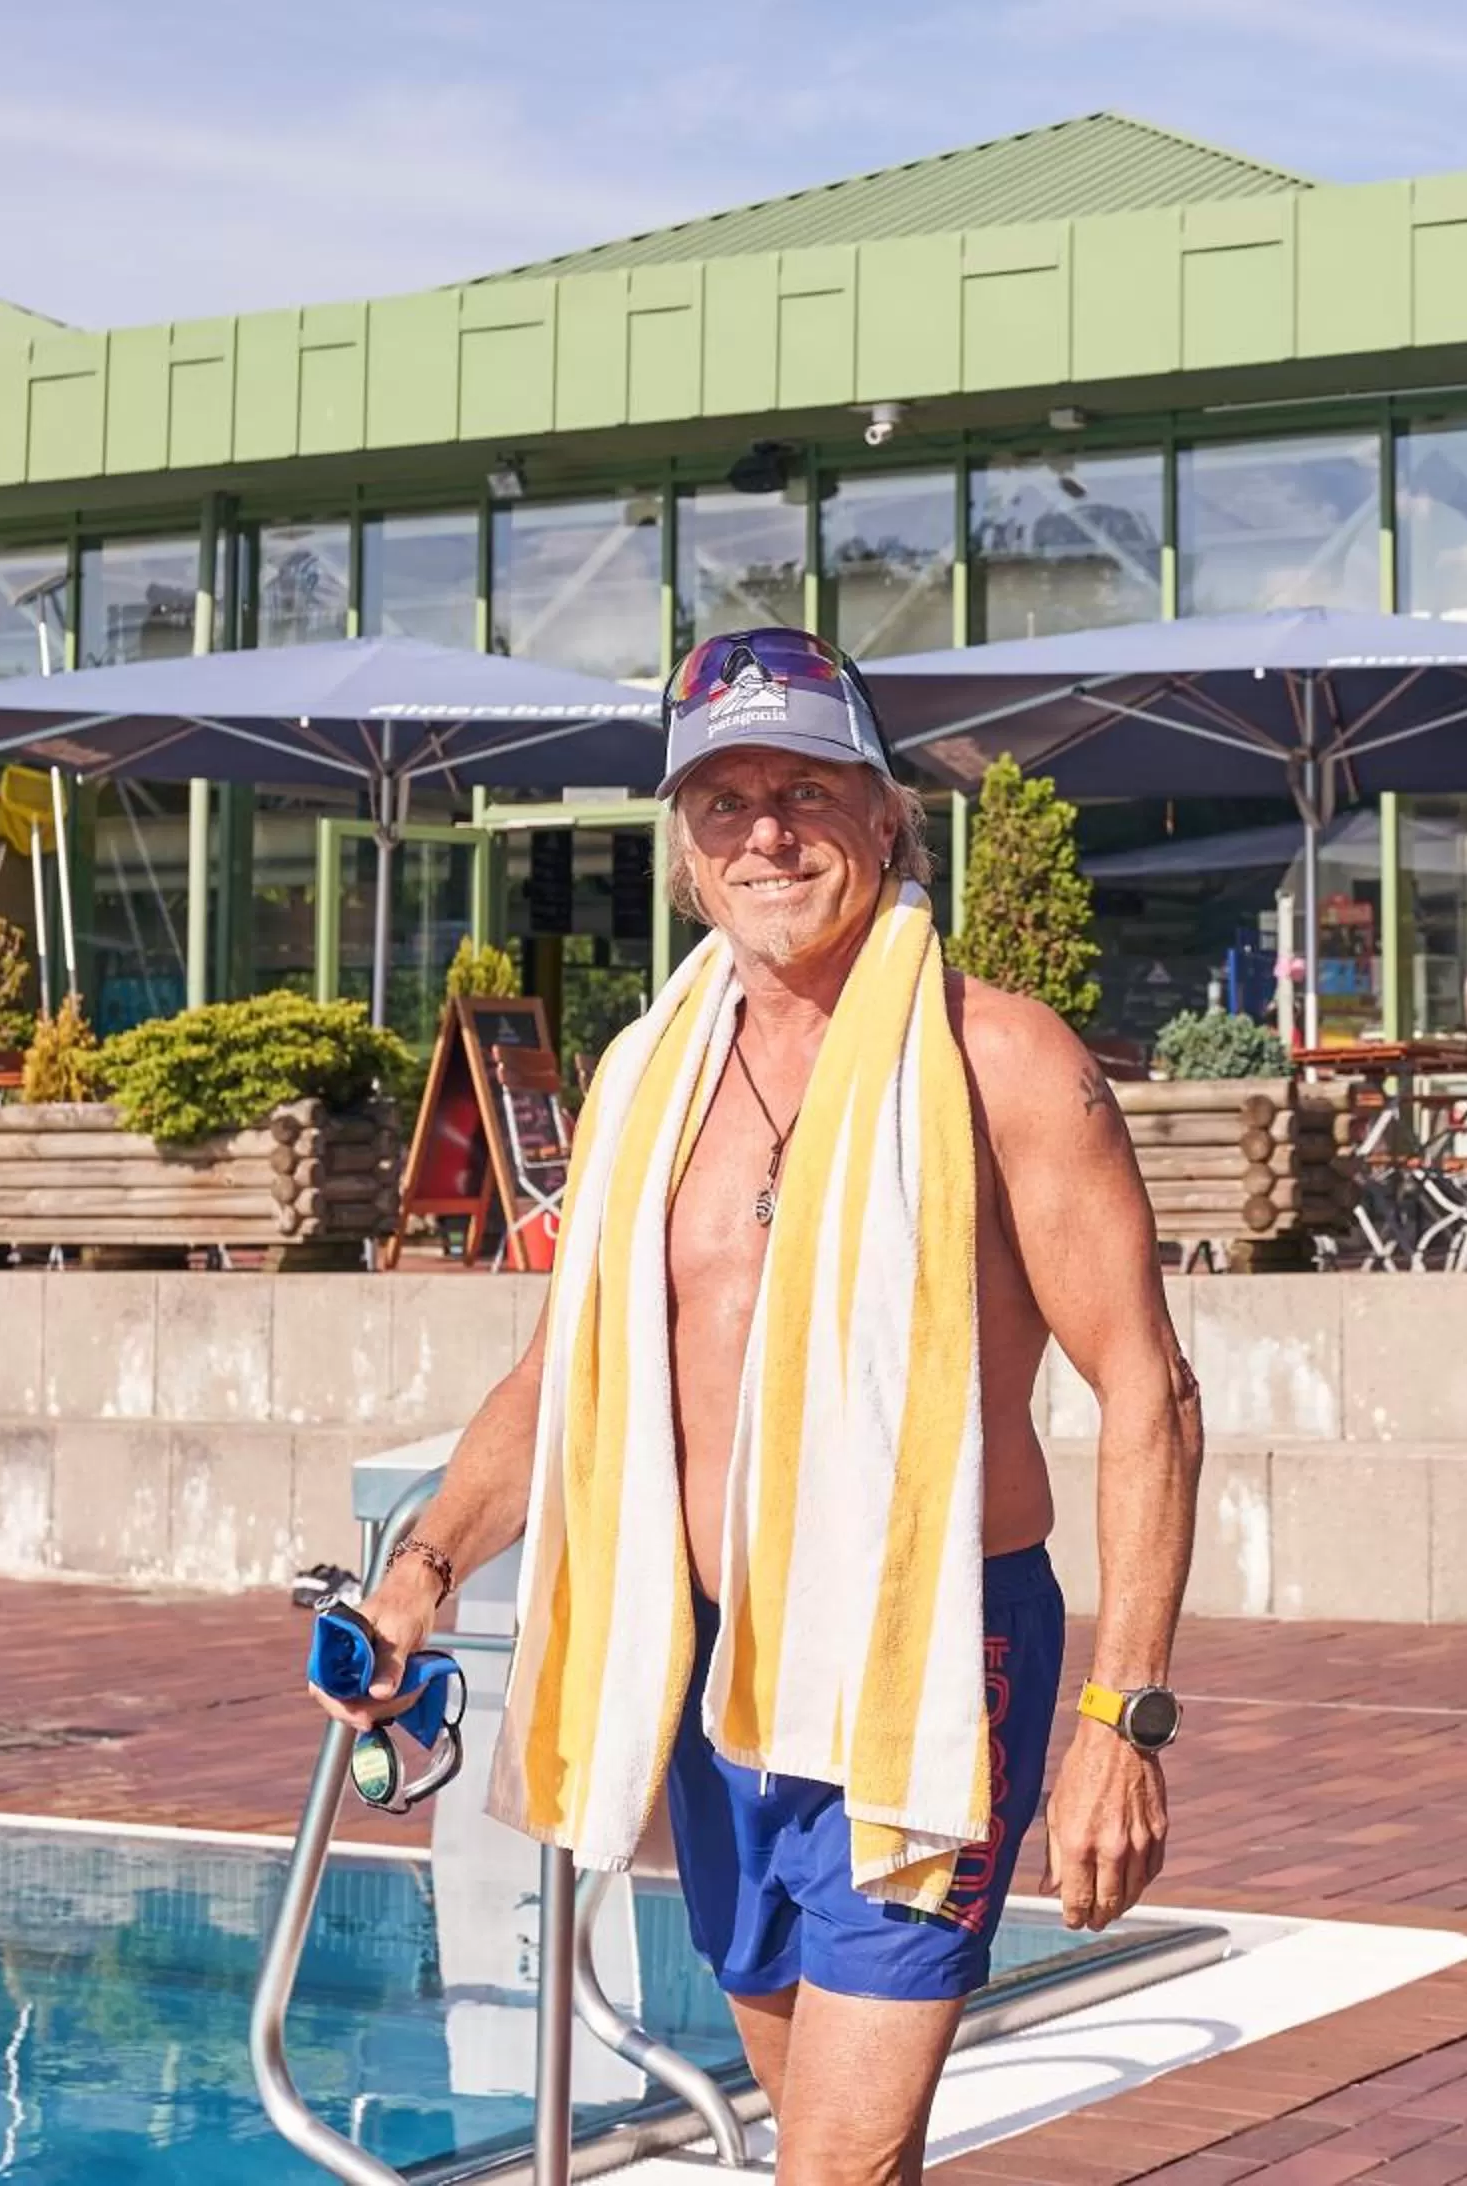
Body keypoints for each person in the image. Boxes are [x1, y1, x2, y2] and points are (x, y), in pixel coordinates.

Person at [315, 627, 1203, 2186]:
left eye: (804, 787)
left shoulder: (999, 1058)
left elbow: (1151, 1390)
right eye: (722, 800)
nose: (766, 832)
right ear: (683, 847)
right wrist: (423, 1569)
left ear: (885, 814)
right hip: (717, 1680)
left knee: (835, 2171)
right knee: (826, 2142)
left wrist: (1122, 1716)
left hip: (933, 1660)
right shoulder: (644, 1078)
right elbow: (563, 1373)